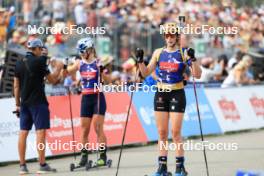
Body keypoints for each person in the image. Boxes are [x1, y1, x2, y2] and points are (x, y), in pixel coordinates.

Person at [137, 22, 202, 176]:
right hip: (161, 93)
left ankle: (180, 167)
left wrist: (193, 59)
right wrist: (140, 61)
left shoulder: (183, 52)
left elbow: (197, 74)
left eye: (172, 35)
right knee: (161, 132)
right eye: (167, 35)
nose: (169, 37)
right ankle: (162, 167)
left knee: (176, 132)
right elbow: (146, 73)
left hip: (176, 94)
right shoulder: (158, 52)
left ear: (177, 36)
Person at [14, 38, 63, 174]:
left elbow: (16, 86)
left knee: (23, 133)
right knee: (40, 133)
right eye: (40, 49)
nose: (41, 51)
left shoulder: (18, 63)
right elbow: (52, 80)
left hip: (24, 103)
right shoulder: (40, 61)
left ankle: (22, 166)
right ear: (35, 49)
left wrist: (17, 104)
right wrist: (58, 68)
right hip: (38, 102)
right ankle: (42, 164)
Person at [65, 37, 111, 167]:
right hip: (86, 98)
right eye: (79, 52)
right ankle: (84, 156)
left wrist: (102, 72)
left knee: (97, 127)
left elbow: (109, 80)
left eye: (83, 51)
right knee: (84, 130)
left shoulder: (98, 62)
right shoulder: (79, 63)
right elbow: (67, 72)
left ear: (90, 50)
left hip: (98, 97)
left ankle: (102, 156)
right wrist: (64, 64)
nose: (81, 54)